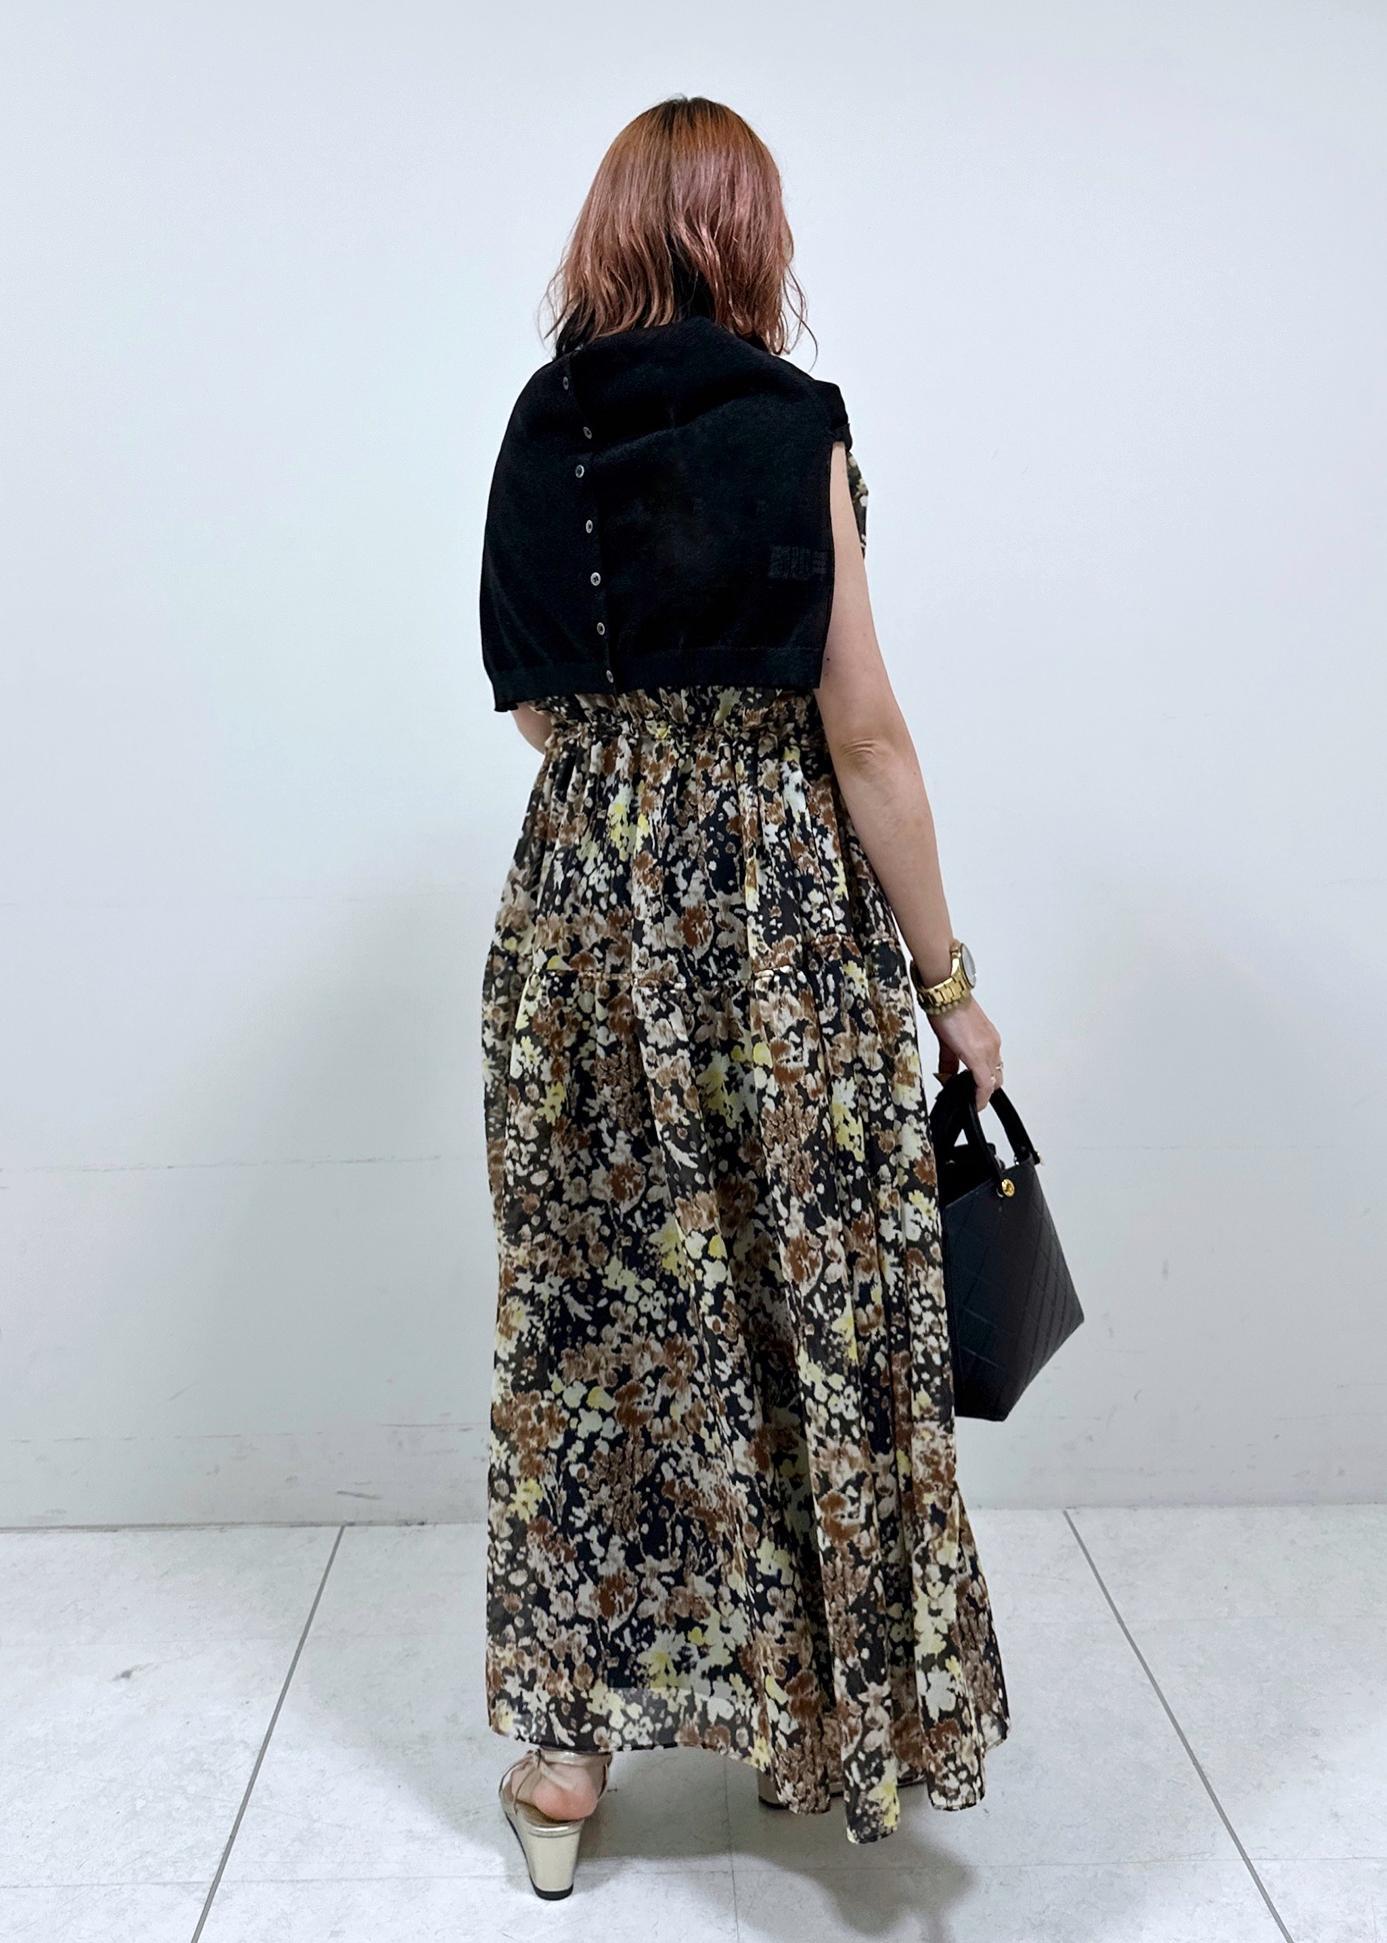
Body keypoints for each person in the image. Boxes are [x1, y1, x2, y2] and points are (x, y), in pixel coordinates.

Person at [478, 94, 1009, 1901]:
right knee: (804, 1314)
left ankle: (565, 1765)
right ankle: (808, 1721)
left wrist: (639, 783)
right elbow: (865, 735)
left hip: (580, 935)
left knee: (590, 1335)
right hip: (776, 937)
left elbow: (535, 708)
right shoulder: (798, 428)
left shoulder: (536, 426)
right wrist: (949, 989)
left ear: (611, 232)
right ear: (746, 236)